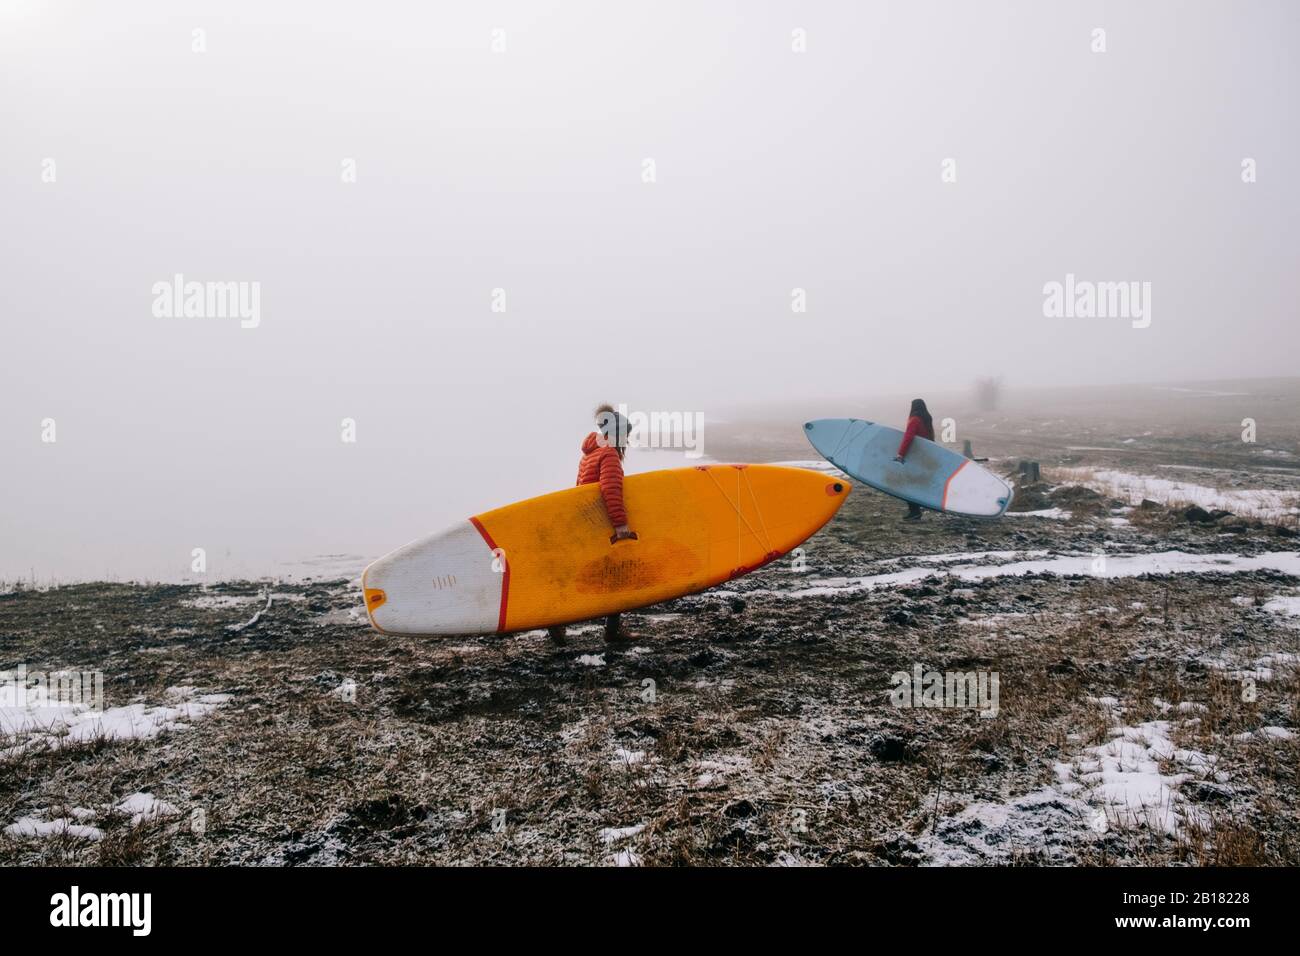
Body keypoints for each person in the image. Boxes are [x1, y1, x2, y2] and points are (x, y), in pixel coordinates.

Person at [548, 404, 637, 644]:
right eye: (625, 435)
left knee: (593, 574)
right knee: (618, 574)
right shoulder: (608, 454)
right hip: (601, 525)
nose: (627, 441)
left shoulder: (589, 454)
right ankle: (610, 630)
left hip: (586, 523)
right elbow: (611, 489)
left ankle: (558, 619)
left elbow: (579, 490)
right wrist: (620, 525)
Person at [893, 398, 935, 520]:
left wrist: (900, 454)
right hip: (925, 455)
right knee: (918, 482)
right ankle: (919, 507)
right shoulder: (927, 419)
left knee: (908, 483)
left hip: (914, 455)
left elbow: (908, 437)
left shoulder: (914, 420)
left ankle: (914, 512)